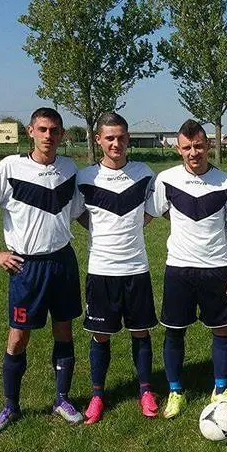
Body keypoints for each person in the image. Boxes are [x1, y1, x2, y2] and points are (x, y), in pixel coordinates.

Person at [0, 107, 83, 434]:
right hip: (27, 266)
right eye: (43, 129)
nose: (49, 136)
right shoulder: (10, 167)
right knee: (19, 336)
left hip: (62, 261)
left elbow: (79, 213)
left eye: (55, 130)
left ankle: (62, 399)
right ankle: (11, 406)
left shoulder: (69, 169)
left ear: (62, 135)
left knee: (64, 330)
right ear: (30, 132)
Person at [149, 119, 227, 418]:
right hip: (179, 268)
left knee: (221, 330)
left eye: (199, 146)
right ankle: (175, 391)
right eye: (187, 147)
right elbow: (158, 212)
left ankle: (220, 388)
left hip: (216, 268)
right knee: (174, 331)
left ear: (209, 145)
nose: (194, 152)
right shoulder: (166, 180)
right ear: (179, 149)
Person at [76, 112, 158, 424]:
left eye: (121, 137)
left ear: (128, 139)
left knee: (141, 331)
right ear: (98, 139)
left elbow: (151, 211)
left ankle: (146, 390)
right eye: (109, 138)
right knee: (101, 335)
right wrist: (102, 233)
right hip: (101, 269)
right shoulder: (85, 177)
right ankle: (97, 395)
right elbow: (79, 213)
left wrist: (132, 229)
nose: (116, 143)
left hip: (136, 267)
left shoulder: (143, 173)